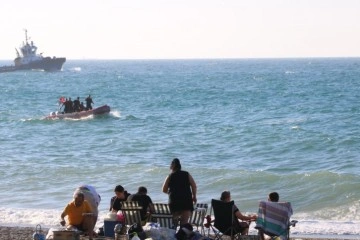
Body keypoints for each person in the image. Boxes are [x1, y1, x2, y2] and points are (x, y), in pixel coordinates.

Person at [162, 158, 197, 225]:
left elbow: (164, 190)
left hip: (174, 201)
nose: (170, 165)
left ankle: (174, 234)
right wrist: (194, 196)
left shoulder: (170, 176)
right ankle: (182, 234)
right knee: (184, 222)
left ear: (173, 165)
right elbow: (194, 186)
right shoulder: (186, 174)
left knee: (174, 222)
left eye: (171, 164)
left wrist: (171, 193)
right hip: (186, 200)